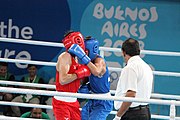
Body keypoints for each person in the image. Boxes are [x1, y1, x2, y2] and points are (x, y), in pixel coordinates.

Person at [68, 36, 113, 120]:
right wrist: (85, 86)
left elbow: (96, 72)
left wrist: (83, 56)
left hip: (103, 101)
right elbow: (86, 78)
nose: (84, 52)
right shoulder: (88, 62)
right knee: (81, 117)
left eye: (85, 51)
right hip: (92, 99)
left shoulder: (99, 61)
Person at [52, 31, 91, 120]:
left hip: (73, 100)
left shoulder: (76, 58)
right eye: (78, 40)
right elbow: (63, 80)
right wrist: (79, 74)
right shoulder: (65, 56)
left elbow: (74, 79)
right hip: (62, 101)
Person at [113, 38, 153, 120]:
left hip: (132, 114)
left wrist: (118, 116)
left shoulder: (130, 68)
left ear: (123, 52)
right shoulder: (146, 67)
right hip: (145, 112)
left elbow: (131, 95)